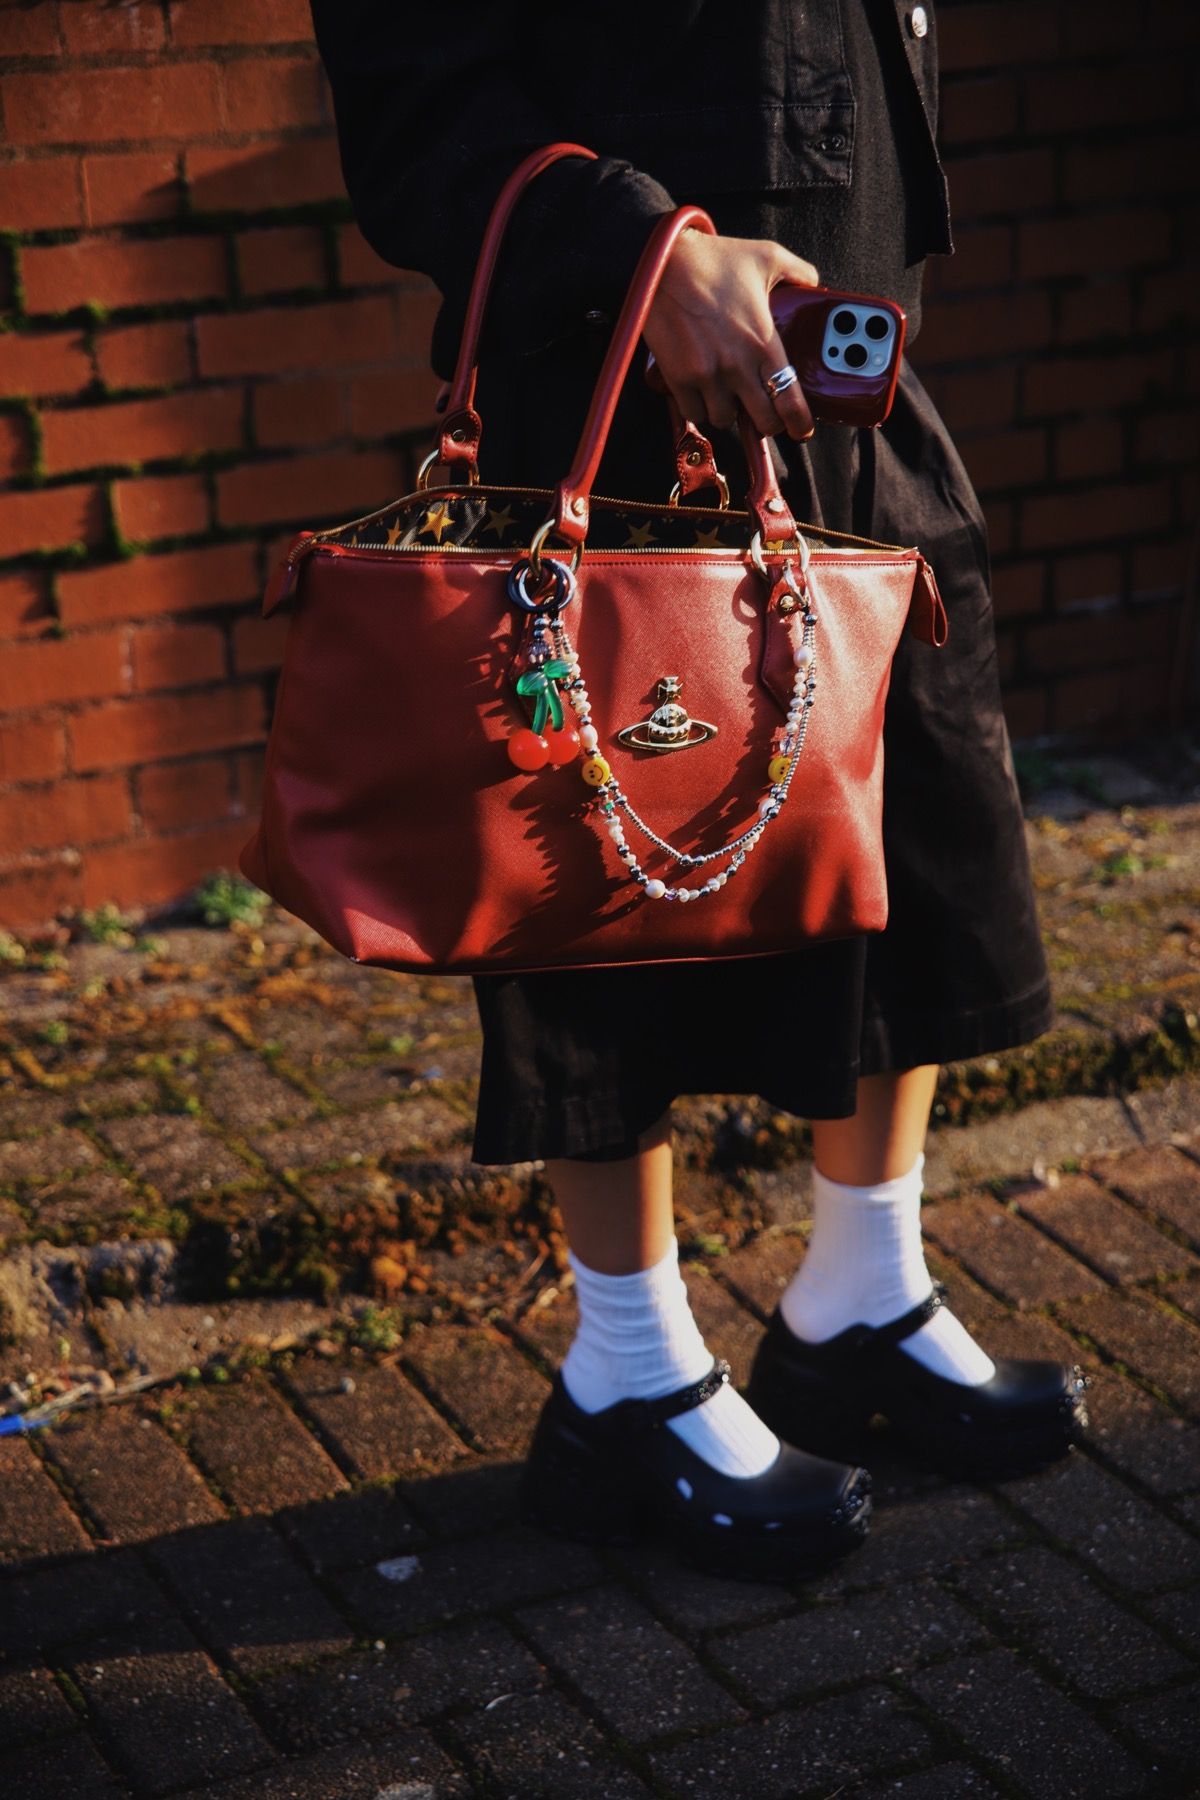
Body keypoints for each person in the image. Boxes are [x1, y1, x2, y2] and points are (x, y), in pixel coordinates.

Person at [309, 0, 1089, 1579]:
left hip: (845, 357)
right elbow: (414, 83)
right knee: (600, 869)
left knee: (900, 812)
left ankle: (860, 1296)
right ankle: (626, 1369)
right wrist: (649, 256)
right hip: (607, 383)